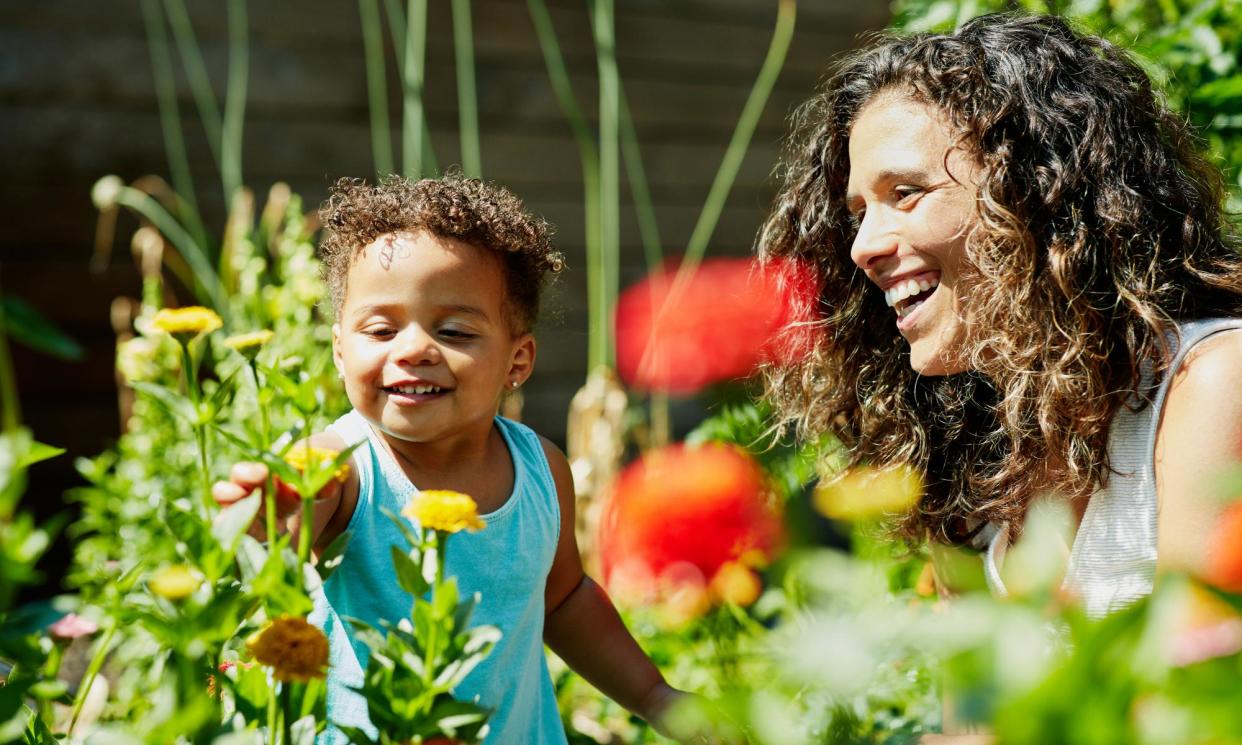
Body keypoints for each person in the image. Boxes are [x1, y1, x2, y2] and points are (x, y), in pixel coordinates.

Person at [758, 13, 1242, 622]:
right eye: (859, 211)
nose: (863, 246)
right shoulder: (970, 451)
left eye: (905, 192)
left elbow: (1197, 695)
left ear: (1038, 193)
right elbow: (972, 719)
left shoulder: (1213, 381)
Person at [213, 173, 693, 744]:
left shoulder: (541, 468)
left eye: (454, 331)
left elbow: (562, 600)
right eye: (381, 329)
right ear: (341, 351)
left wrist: (654, 696)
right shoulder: (343, 465)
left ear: (517, 360)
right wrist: (275, 510)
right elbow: (288, 522)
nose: (414, 349)